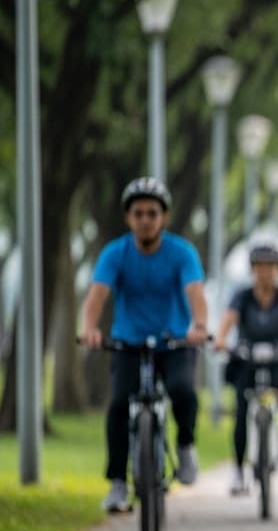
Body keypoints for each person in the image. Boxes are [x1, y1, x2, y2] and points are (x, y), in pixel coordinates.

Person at [80, 177, 211, 513]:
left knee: (183, 390)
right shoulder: (116, 253)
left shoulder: (182, 253)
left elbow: (195, 293)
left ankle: (185, 445)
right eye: (138, 213)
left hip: (175, 342)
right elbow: (97, 295)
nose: (145, 220)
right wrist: (90, 328)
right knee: (119, 405)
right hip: (129, 342)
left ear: (164, 217)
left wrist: (199, 326)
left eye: (152, 213)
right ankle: (118, 484)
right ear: (128, 219)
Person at [213, 244, 278, 496]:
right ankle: (238, 471)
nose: (265, 272)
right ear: (252, 270)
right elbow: (228, 320)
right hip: (248, 356)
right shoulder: (242, 296)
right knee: (241, 411)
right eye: (259, 267)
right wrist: (222, 339)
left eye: (270, 267)